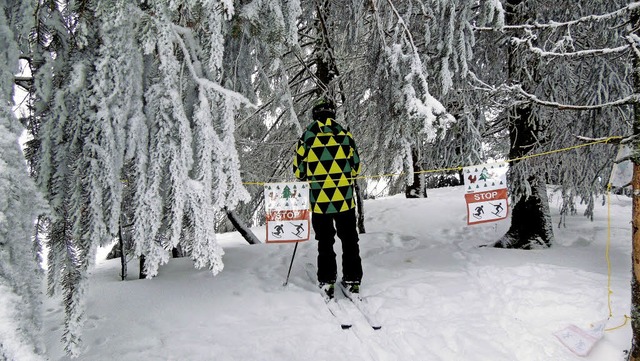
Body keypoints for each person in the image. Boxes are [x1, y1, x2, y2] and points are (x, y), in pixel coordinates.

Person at [293, 98, 362, 299]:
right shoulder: (345, 135)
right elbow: (356, 167)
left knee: (325, 241)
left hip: (320, 201)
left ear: (315, 115)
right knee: (350, 240)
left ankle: (327, 281)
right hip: (345, 199)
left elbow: (299, 171)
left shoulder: (306, 137)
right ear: (332, 114)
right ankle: (352, 280)